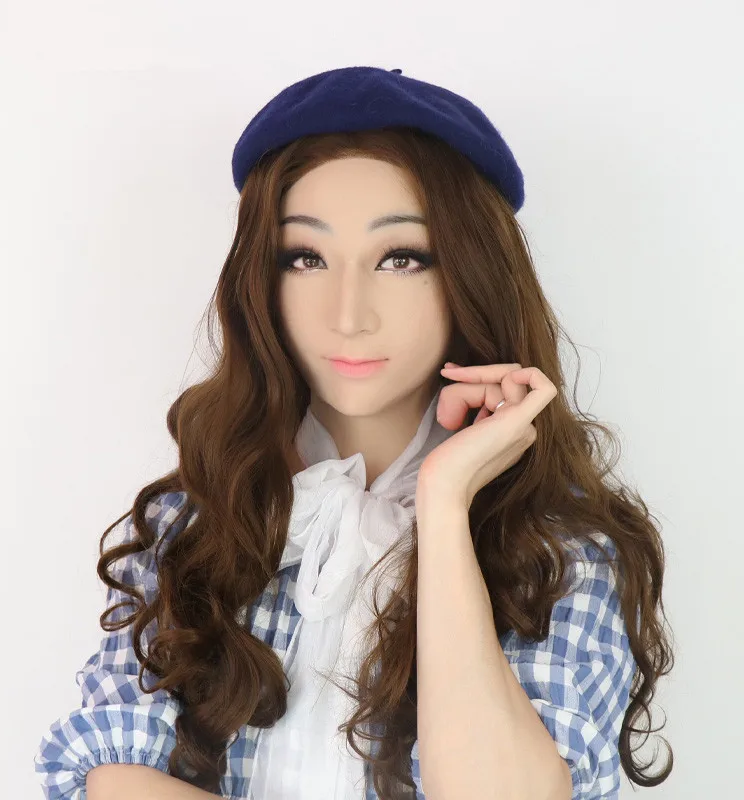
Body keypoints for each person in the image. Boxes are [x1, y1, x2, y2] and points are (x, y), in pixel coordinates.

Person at [34, 65, 674, 800]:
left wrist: (444, 506)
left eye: (401, 259)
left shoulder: (559, 552)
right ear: (261, 280)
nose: (348, 313)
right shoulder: (193, 525)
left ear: (471, 274)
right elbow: (111, 777)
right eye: (305, 258)